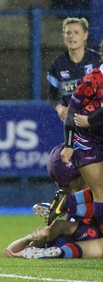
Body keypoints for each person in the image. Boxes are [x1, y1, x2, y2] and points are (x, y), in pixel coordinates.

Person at [60, 62, 103, 236]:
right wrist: (69, 144)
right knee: (100, 191)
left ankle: (67, 203)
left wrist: (91, 119)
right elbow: (72, 112)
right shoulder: (91, 80)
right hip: (86, 139)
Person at [46, 17, 101, 122]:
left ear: (85, 35)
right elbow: (51, 94)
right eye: (68, 33)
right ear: (64, 36)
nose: (71, 36)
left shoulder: (97, 60)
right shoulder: (57, 65)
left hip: (97, 120)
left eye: (76, 32)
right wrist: (59, 108)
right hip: (73, 122)